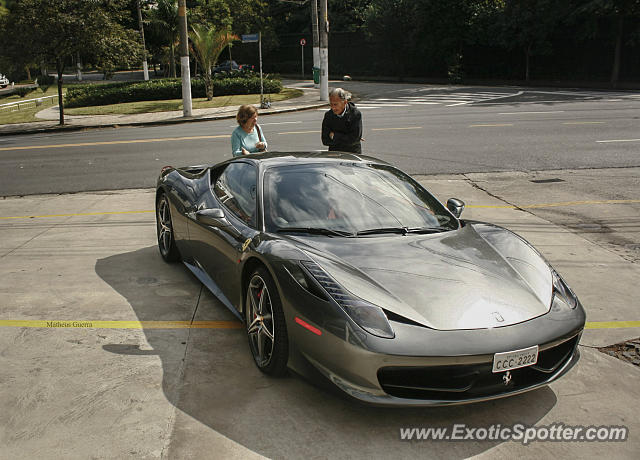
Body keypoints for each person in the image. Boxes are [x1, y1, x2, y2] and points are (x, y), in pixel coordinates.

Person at [321, 87, 362, 153]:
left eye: (335, 104)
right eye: (331, 104)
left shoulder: (355, 114)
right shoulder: (328, 115)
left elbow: (354, 140)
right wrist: (346, 137)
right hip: (335, 153)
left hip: (352, 154)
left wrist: (335, 136)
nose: (333, 107)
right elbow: (325, 140)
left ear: (345, 102)